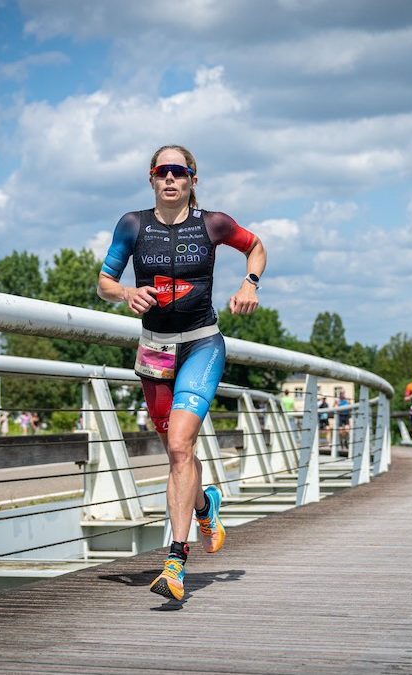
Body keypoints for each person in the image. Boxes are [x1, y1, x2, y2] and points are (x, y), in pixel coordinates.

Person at [97, 144, 266, 602]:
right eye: (161, 171)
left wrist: (249, 283)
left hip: (201, 344)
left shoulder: (214, 223)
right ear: (151, 179)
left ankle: (175, 561)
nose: (170, 179)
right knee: (179, 454)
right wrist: (125, 294)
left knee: (178, 445)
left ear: (193, 179)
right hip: (154, 351)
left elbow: (255, 247)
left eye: (179, 171)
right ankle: (205, 505)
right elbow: (104, 283)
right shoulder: (132, 224)